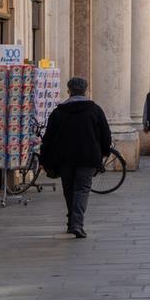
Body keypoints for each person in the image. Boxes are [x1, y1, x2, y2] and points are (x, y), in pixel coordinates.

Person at [38, 77, 112, 238]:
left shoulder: (58, 113)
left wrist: (43, 159)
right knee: (82, 190)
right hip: (88, 157)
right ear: (86, 90)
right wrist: (105, 151)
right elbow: (105, 134)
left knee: (69, 189)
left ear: (69, 91)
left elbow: (48, 138)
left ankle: (72, 221)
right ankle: (76, 223)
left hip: (64, 158)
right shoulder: (95, 110)